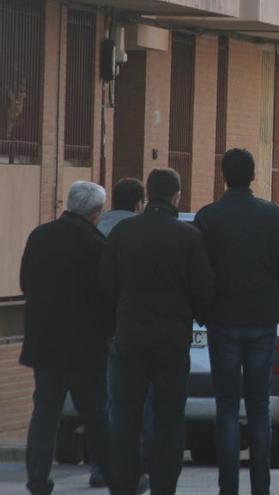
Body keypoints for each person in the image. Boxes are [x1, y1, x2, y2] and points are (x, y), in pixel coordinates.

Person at [102, 169, 214, 494]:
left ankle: (124, 483)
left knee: (125, 417)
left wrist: (113, 327)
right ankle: (164, 484)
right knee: (168, 419)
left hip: (129, 340)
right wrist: (200, 318)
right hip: (171, 343)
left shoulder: (123, 233)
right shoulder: (188, 238)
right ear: (177, 196)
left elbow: (105, 285)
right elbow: (203, 289)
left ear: (147, 195)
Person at [195, 148, 279, 495]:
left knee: (226, 407)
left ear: (224, 175)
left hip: (222, 323)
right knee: (258, 409)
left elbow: (197, 274)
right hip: (261, 324)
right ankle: (261, 488)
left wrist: (205, 312)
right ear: (253, 176)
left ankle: (228, 488)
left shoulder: (208, 217)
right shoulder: (272, 216)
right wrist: (276, 310)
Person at [19, 181, 113, 494]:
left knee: (45, 414)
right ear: (96, 213)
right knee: (98, 415)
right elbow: (106, 299)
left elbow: (26, 283)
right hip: (85, 348)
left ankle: (37, 480)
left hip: (45, 344)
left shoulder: (40, 236)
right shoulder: (98, 246)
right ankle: (114, 475)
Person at [93, 178, 152, 492]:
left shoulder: (95, 227)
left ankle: (99, 467)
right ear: (139, 203)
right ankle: (134, 468)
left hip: (95, 329)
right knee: (132, 402)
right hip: (130, 329)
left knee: (100, 402)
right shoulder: (140, 232)